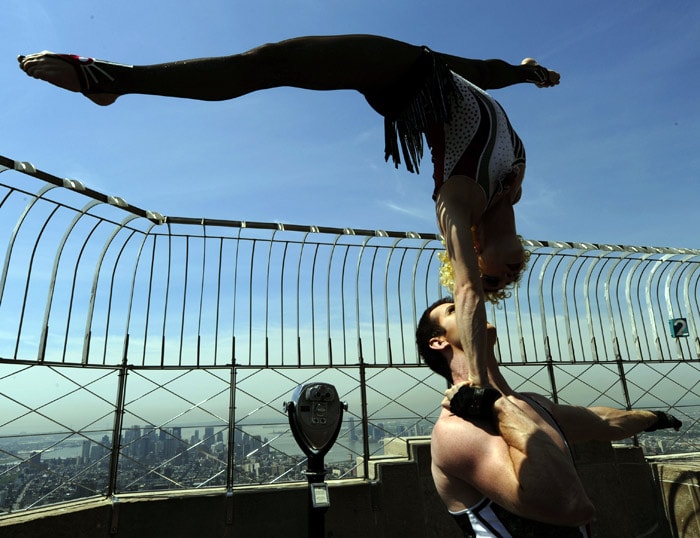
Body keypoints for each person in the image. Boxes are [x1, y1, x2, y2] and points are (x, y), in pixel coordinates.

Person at [17, 35, 561, 393]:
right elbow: (480, 83)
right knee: (487, 71)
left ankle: (114, 79)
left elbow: (466, 293)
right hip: (438, 69)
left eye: (496, 273)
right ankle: (527, 71)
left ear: (470, 248)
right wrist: (525, 73)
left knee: (269, 64)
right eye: (511, 276)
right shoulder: (511, 187)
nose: (512, 271)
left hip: (408, 74)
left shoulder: (458, 199)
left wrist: (485, 386)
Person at [416, 297, 683, 537]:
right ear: (438, 341)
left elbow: (602, 422)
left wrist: (655, 417)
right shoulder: (456, 430)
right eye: (454, 309)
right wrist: (498, 405)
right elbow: (569, 506)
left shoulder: (531, 403)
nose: (471, 306)